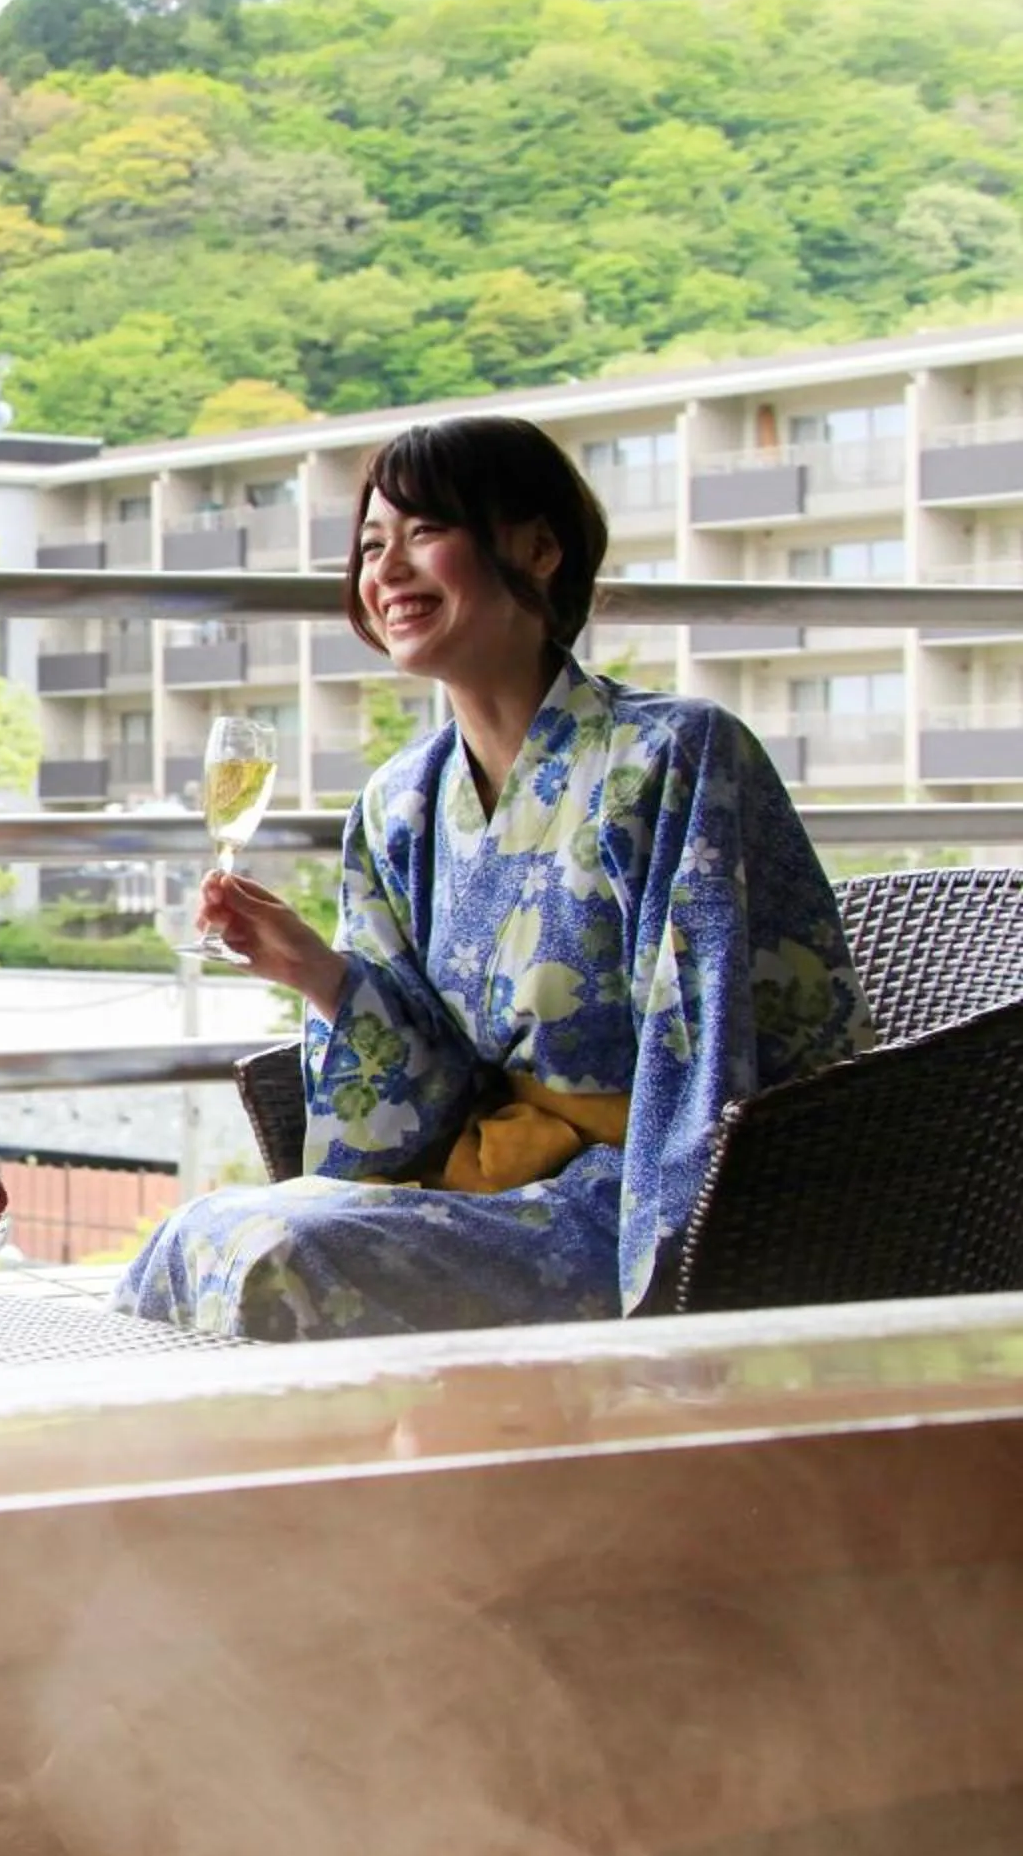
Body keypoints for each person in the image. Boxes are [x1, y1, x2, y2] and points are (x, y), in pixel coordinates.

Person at [117, 415, 872, 1339]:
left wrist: (683, 1285)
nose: (386, 570)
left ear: (539, 548)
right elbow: (414, 1101)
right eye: (369, 545)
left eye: (425, 532)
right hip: (486, 1194)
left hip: (640, 1207)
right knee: (191, 1233)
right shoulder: (399, 804)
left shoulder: (672, 755)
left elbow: (716, 1046)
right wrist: (317, 972)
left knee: (286, 1251)